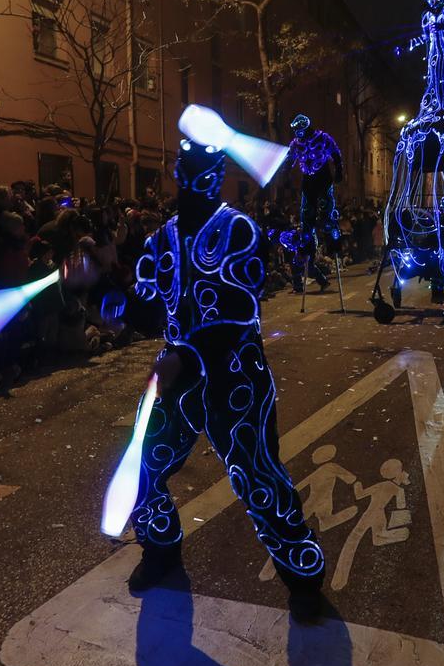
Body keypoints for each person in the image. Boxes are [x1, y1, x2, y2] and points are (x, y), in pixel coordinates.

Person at [127, 137, 325, 622]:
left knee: (257, 477)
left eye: (204, 167)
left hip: (234, 378)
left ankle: (303, 576)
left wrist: (188, 358)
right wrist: (98, 294)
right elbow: (146, 308)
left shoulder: (238, 229)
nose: (193, 176)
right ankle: (161, 549)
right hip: (176, 380)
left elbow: (238, 315)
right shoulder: (160, 239)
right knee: (143, 467)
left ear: (217, 173)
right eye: (185, 165)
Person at [287, 113, 342, 294]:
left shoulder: (322, 137)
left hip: (322, 174)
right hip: (308, 177)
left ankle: (328, 222)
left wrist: (339, 169)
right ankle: (308, 229)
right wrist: (287, 170)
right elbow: (290, 158)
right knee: (307, 208)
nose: (298, 134)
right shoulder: (295, 143)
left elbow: (335, 152)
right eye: (296, 131)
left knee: (326, 200)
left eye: (300, 130)